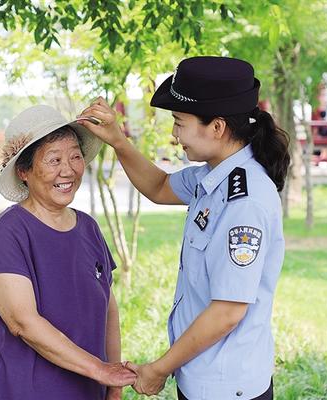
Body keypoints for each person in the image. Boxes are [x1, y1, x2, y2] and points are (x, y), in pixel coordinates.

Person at [78, 56, 290, 400]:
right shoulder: (214, 175)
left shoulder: (244, 201)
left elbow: (228, 311)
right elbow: (160, 187)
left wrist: (158, 369)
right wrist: (118, 140)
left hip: (225, 387)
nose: (175, 135)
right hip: (203, 376)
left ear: (217, 127)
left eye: (179, 123)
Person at [0, 105, 136, 400]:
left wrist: (113, 384)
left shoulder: (88, 227)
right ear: (23, 171)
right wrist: (100, 370)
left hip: (87, 390)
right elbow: (23, 322)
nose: (68, 170)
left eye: (75, 156)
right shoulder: (8, 231)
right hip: (25, 391)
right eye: (54, 160)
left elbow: (108, 309)